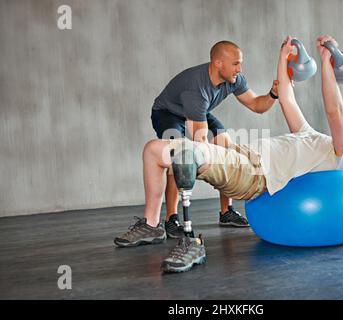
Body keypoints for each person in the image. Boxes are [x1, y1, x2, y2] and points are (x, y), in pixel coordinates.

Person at [116, 35, 343, 273]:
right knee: (153, 150)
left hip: (252, 173)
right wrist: (283, 57)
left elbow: (335, 111)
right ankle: (152, 224)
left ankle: (190, 241)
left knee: (189, 151)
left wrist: (327, 62)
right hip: (244, 155)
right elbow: (286, 98)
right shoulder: (312, 137)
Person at [115, 40, 279, 244]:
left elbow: (257, 105)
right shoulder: (196, 88)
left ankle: (226, 211)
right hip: (169, 113)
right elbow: (199, 142)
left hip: (198, 111)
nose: (240, 68)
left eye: (240, 63)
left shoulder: (234, 79)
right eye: (236, 63)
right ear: (219, 63)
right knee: (181, 156)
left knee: (224, 145)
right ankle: (171, 219)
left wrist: (274, 94)